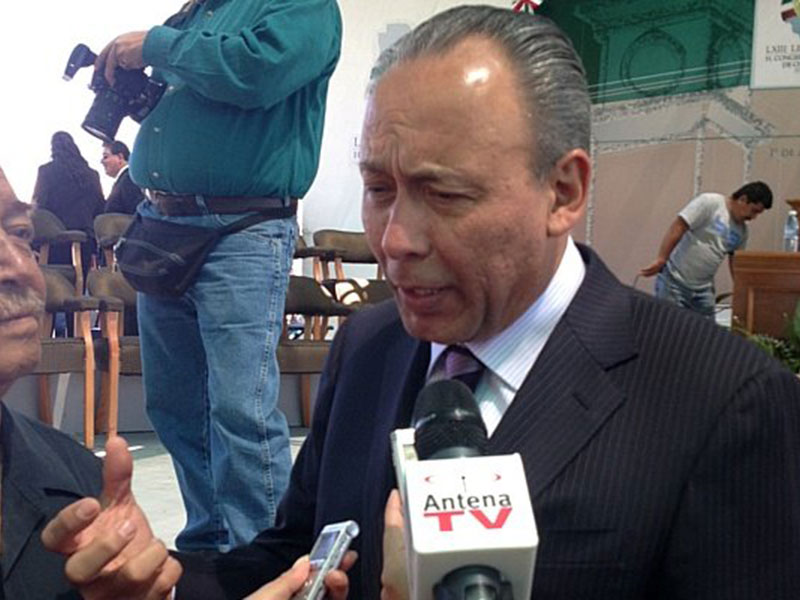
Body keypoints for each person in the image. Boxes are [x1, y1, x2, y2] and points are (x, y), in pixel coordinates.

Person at [44, 6, 800, 599]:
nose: (395, 240)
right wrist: (162, 584)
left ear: (563, 191)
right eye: (379, 188)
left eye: (445, 193)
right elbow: (296, 553)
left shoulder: (724, 401)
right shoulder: (371, 346)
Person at [89, 0, 342, 552]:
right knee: (175, 405)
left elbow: (256, 70)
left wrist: (154, 45)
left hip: (242, 227)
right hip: (165, 223)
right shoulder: (200, 12)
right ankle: (209, 549)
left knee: (240, 411)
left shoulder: (304, 5)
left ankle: (263, 559)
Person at [640, 182, 773, 317]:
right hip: (674, 282)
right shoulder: (710, 203)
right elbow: (679, 226)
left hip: (703, 290)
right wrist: (661, 259)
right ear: (743, 199)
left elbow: (735, 262)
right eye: (754, 211)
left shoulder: (742, 231)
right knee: (671, 327)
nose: (753, 217)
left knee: (706, 329)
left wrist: (740, 289)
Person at [33, 131, 105, 276]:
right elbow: (100, 208)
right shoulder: (92, 174)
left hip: (54, 239)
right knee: (80, 281)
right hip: (85, 239)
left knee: (56, 282)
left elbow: (39, 205)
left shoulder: (46, 171)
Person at [100, 140, 144, 215]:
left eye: (105, 157)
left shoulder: (128, 180)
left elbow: (134, 213)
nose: (101, 161)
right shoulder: (125, 179)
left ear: (120, 157)